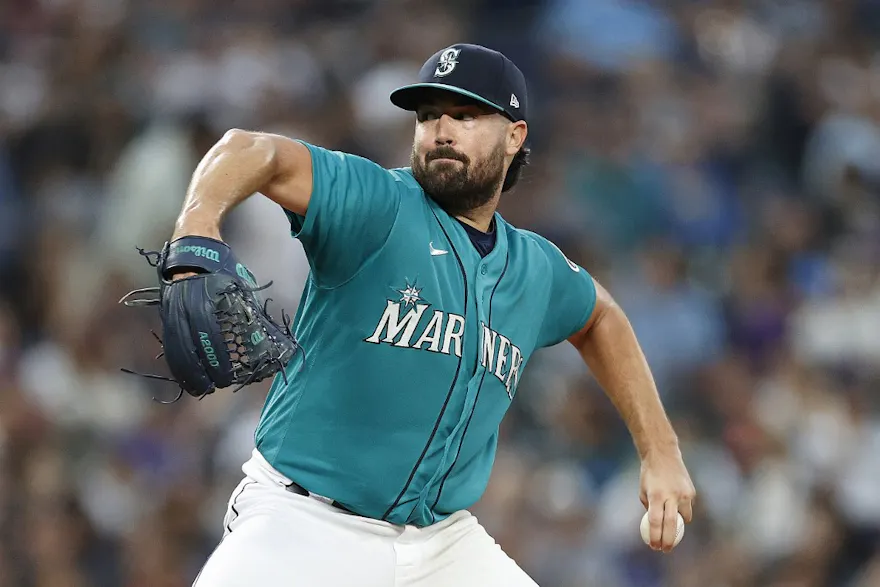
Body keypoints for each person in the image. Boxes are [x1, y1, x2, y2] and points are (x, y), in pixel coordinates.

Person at [175, 43, 696, 587]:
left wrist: (659, 450)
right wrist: (197, 221)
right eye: (428, 117)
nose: (441, 130)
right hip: (304, 522)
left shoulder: (535, 269)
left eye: (465, 116)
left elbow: (601, 318)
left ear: (515, 136)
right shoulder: (377, 204)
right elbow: (252, 150)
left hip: (442, 544)